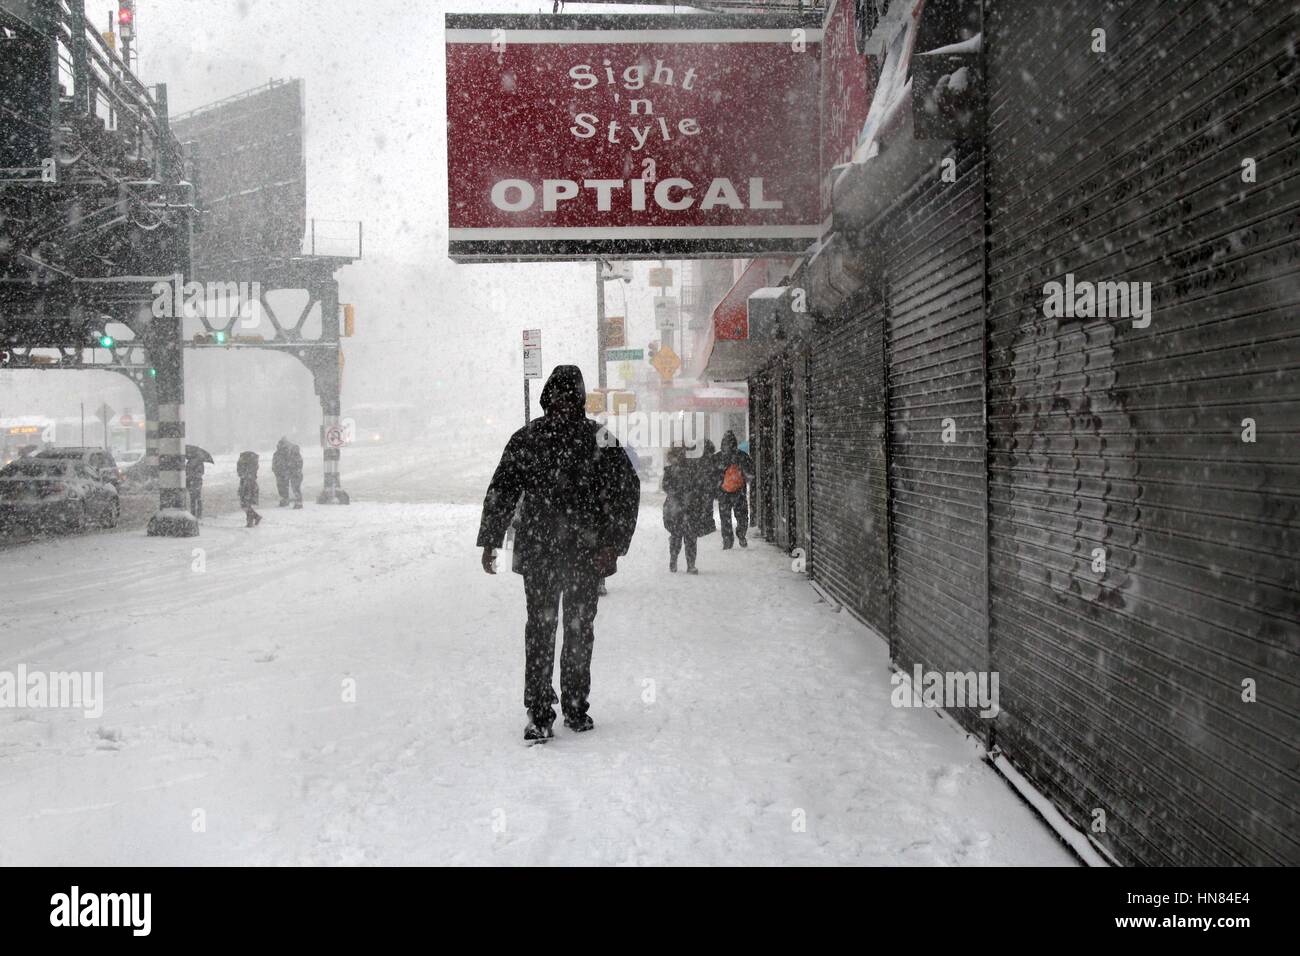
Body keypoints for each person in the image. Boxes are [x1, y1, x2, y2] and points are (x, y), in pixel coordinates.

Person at [477, 365, 640, 742]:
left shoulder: (549, 438)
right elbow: (502, 490)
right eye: (559, 397)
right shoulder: (587, 439)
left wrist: (613, 543)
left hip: (571, 553)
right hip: (550, 554)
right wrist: (490, 539)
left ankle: (573, 704)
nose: (564, 405)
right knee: (546, 629)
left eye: (570, 398)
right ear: (549, 398)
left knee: (571, 629)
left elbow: (626, 492)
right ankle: (541, 709)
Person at [663, 444, 716, 573]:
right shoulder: (670, 470)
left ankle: (690, 564)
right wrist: (677, 494)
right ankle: (674, 559)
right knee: (677, 535)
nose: (682, 456)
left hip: (690, 506)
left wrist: (694, 495)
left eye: (683, 453)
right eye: (679, 453)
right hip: (676, 508)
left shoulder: (693, 467)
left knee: (691, 536)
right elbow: (666, 486)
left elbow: (699, 484)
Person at [714, 430, 754, 549]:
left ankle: (727, 541)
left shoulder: (718, 457)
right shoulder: (742, 455)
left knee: (725, 517)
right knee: (742, 515)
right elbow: (751, 472)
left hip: (723, 492)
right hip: (739, 490)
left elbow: (712, 474)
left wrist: (716, 486)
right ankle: (741, 534)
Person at [272, 437, 304, 509]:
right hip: (285, 473)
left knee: (293, 487)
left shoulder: (289, 453)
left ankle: (294, 501)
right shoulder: (283, 453)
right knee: (287, 487)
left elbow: (293, 464)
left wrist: (289, 470)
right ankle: (288, 500)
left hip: (289, 473)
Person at [237, 451, 262, 527]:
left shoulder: (245, 467)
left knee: (245, 504)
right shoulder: (253, 465)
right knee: (246, 504)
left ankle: (251, 520)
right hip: (250, 484)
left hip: (247, 485)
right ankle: (254, 518)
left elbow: (240, 473)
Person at [185, 452, 205, 519]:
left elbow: (186, 472)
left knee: (192, 499)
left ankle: (193, 513)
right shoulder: (200, 462)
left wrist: (191, 475)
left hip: (191, 481)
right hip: (197, 481)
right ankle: (199, 514)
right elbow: (202, 472)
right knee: (198, 497)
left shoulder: (189, 462)